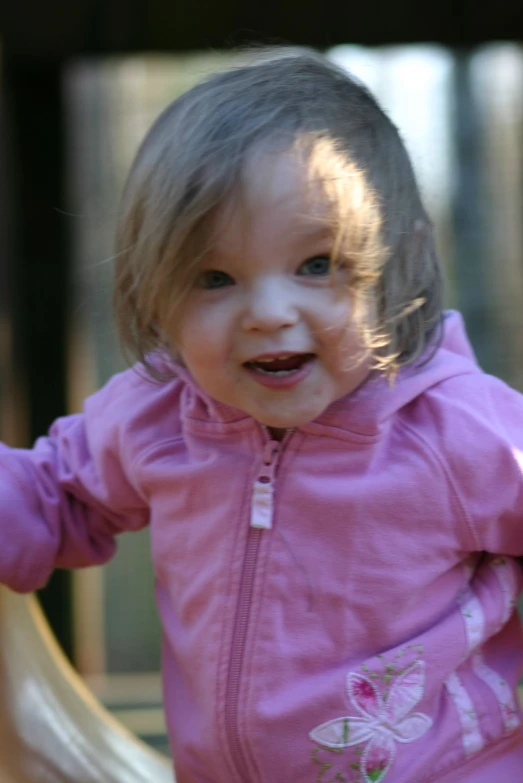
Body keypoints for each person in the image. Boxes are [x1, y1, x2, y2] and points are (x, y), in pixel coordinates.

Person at [1, 47, 523, 783]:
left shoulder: (455, 430)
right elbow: (53, 494)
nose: (269, 314)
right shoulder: (159, 415)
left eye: (316, 264)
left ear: (394, 262)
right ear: (155, 292)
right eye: (215, 278)